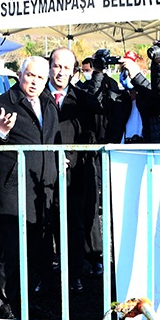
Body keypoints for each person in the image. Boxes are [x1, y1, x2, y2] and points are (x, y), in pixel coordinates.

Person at [0, 56, 60, 319]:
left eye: (40, 77)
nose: (34, 82)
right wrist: (0, 131)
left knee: (33, 252)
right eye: (30, 76)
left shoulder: (48, 104)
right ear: (20, 75)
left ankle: (24, 303)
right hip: (12, 192)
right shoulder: (1, 104)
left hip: (41, 190)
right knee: (10, 253)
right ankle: (4, 306)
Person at [47, 47, 97, 292]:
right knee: (43, 225)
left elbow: (93, 133)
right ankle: (42, 273)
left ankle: (73, 274)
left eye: (66, 67)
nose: (60, 72)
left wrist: (72, 157)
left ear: (73, 71)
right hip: (42, 172)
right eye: (57, 66)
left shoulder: (83, 100)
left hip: (74, 174)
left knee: (74, 225)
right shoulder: (37, 97)